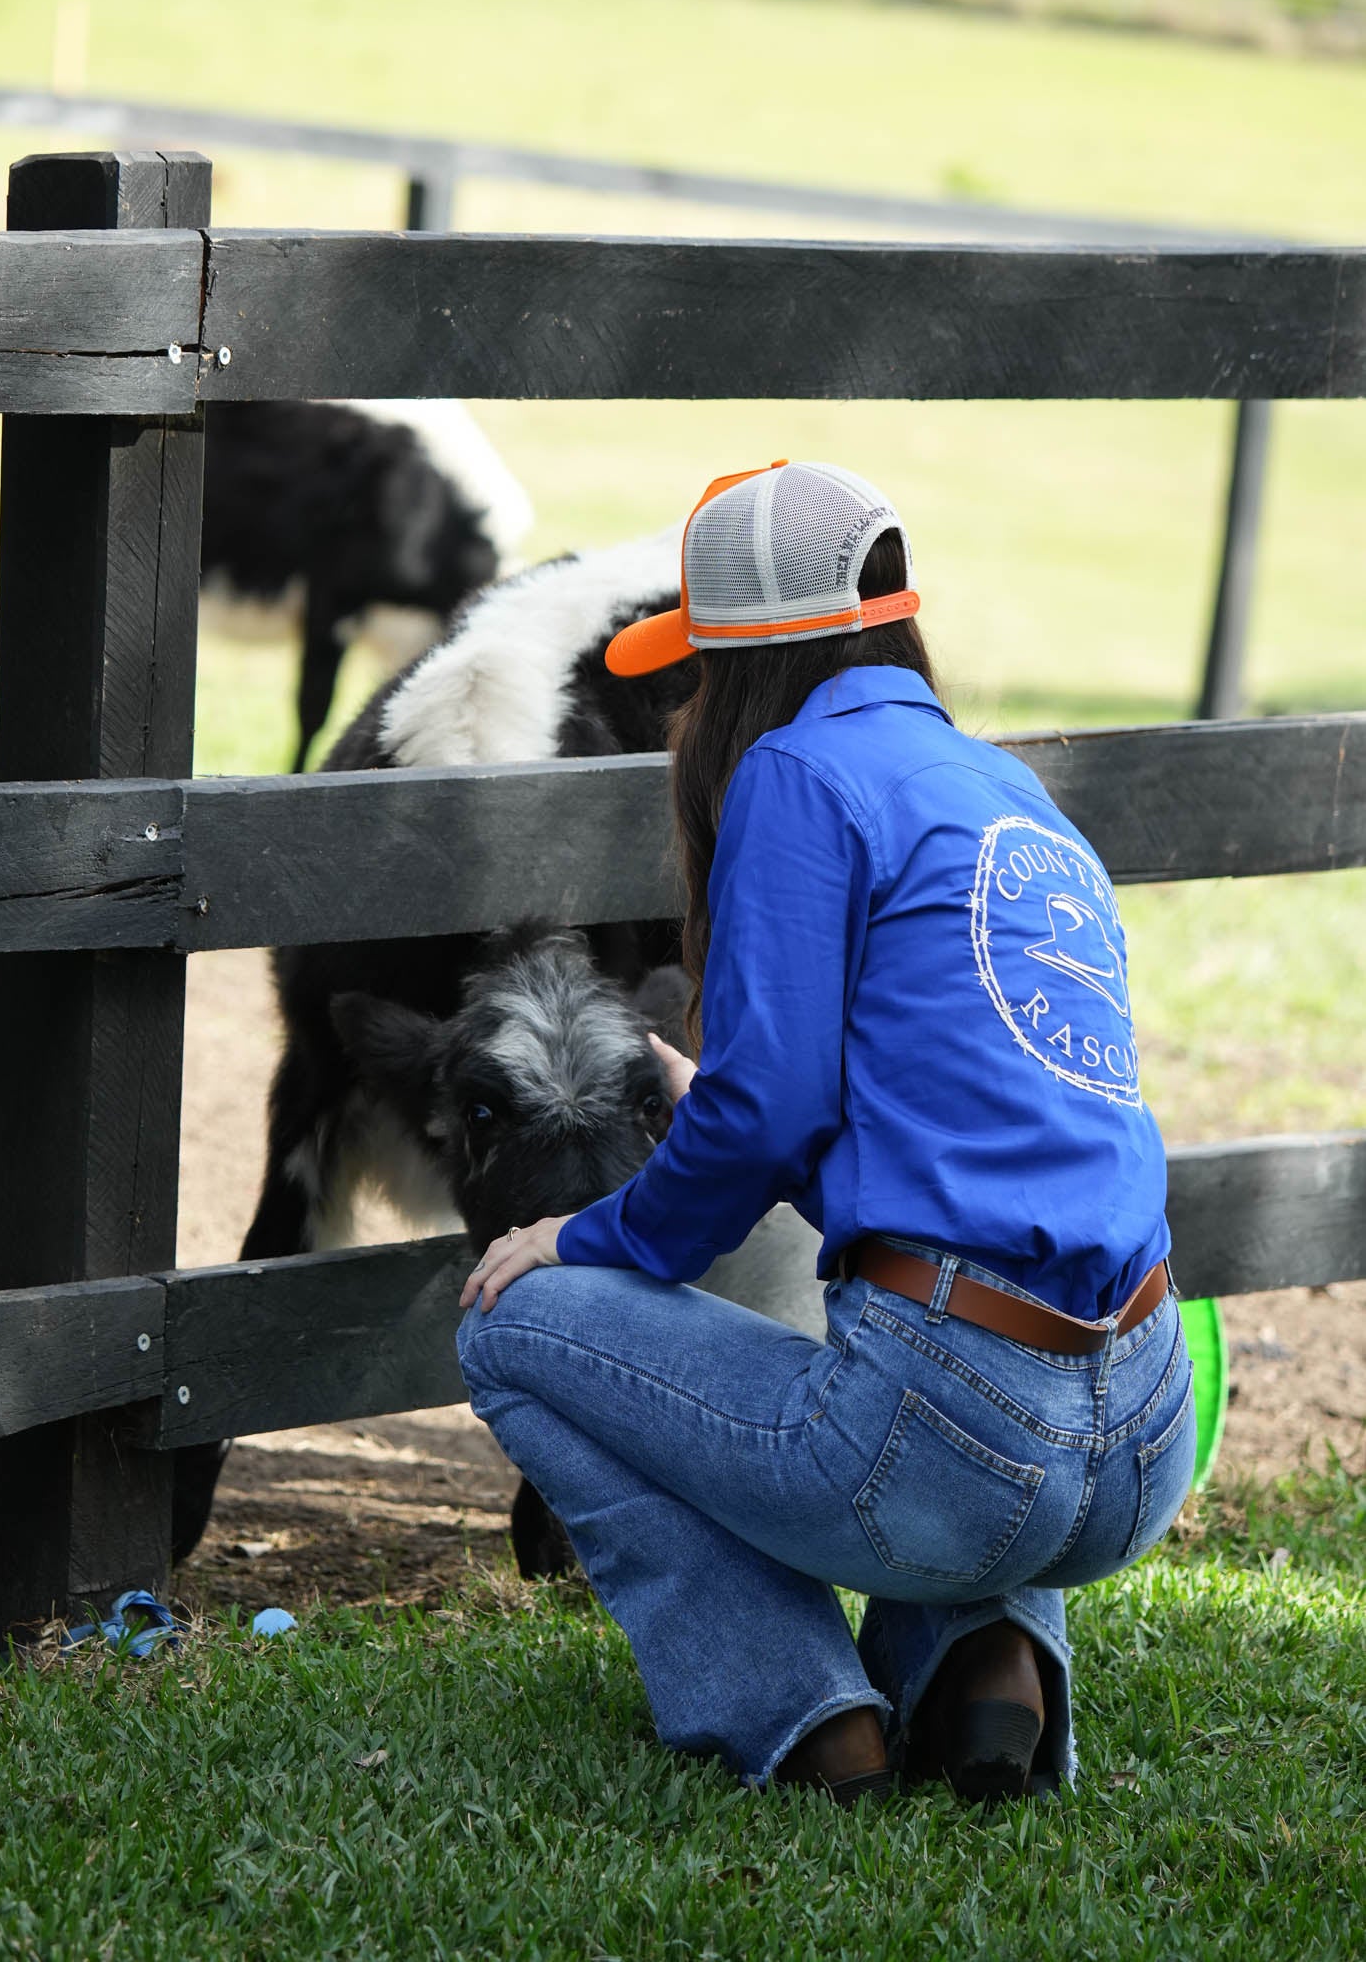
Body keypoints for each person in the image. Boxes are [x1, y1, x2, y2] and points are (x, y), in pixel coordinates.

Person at [456, 459, 1196, 1806]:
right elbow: (951, 1140)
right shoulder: (1005, 791)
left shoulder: (795, 772)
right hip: (1142, 1435)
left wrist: (585, 1230)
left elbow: (764, 1120)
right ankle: (988, 1665)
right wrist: (727, 1109)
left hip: (958, 1451)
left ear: (740, 667)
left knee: (508, 1324)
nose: (688, 709)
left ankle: (802, 1714)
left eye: (693, 680)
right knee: (960, 1333)